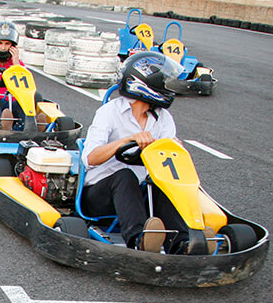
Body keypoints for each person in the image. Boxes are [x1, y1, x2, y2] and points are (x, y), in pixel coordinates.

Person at [81, 50, 192, 254]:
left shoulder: (163, 118)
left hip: (140, 194)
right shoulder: (109, 112)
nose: (169, 88)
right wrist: (126, 141)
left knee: (162, 184)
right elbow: (90, 158)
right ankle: (140, 239)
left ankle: (182, 243)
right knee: (125, 175)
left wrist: (176, 150)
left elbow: (167, 159)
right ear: (144, 83)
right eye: (164, 83)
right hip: (99, 194)